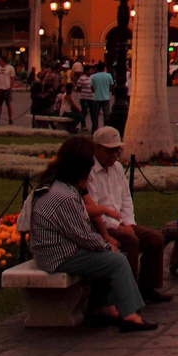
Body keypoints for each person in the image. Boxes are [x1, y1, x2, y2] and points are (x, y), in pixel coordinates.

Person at [26, 136, 156, 331]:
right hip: (57, 255)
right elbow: (82, 235)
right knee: (117, 260)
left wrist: (105, 245)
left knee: (111, 255)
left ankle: (106, 306)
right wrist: (106, 245)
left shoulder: (58, 186)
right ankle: (130, 315)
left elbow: (81, 232)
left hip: (55, 251)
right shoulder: (64, 197)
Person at [85, 127, 172, 303]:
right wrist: (120, 227)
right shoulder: (90, 173)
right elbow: (93, 209)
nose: (113, 155)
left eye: (116, 150)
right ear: (96, 148)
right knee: (130, 241)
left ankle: (148, 286)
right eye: (109, 150)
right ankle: (128, 294)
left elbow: (126, 199)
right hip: (102, 225)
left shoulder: (117, 168)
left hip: (121, 221)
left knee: (155, 239)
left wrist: (129, 223)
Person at [87, 62, 114, 130]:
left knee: (95, 115)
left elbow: (91, 87)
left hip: (97, 98)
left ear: (97, 68)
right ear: (104, 68)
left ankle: (95, 129)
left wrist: (95, 90)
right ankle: (106, 128)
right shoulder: (108, 76)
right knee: (106, 114)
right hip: (106, 97)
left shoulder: (93, 76)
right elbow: (111, 86)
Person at [0, 57, 15, 124]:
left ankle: (10, 119)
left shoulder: (10, 68)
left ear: (3, 61)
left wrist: (11, 87)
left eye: (0, 61)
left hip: (7, 88)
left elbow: (12, 78)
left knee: (9, 104)